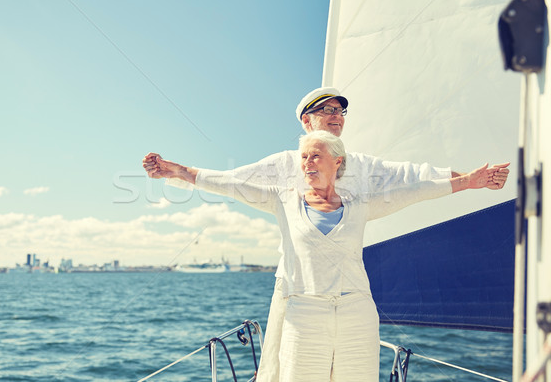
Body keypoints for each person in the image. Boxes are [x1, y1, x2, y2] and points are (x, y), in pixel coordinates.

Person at [152, 87, 510, 382]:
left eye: (340, 110)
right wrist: (179, 172)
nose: (336, 115)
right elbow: (233, 182)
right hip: (296, 289)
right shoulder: (283, 165)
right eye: (327, 110)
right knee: (279, 369)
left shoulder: (363, 167)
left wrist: (472, 180)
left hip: (348, 291)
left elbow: (413, 178)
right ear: (307, 121)